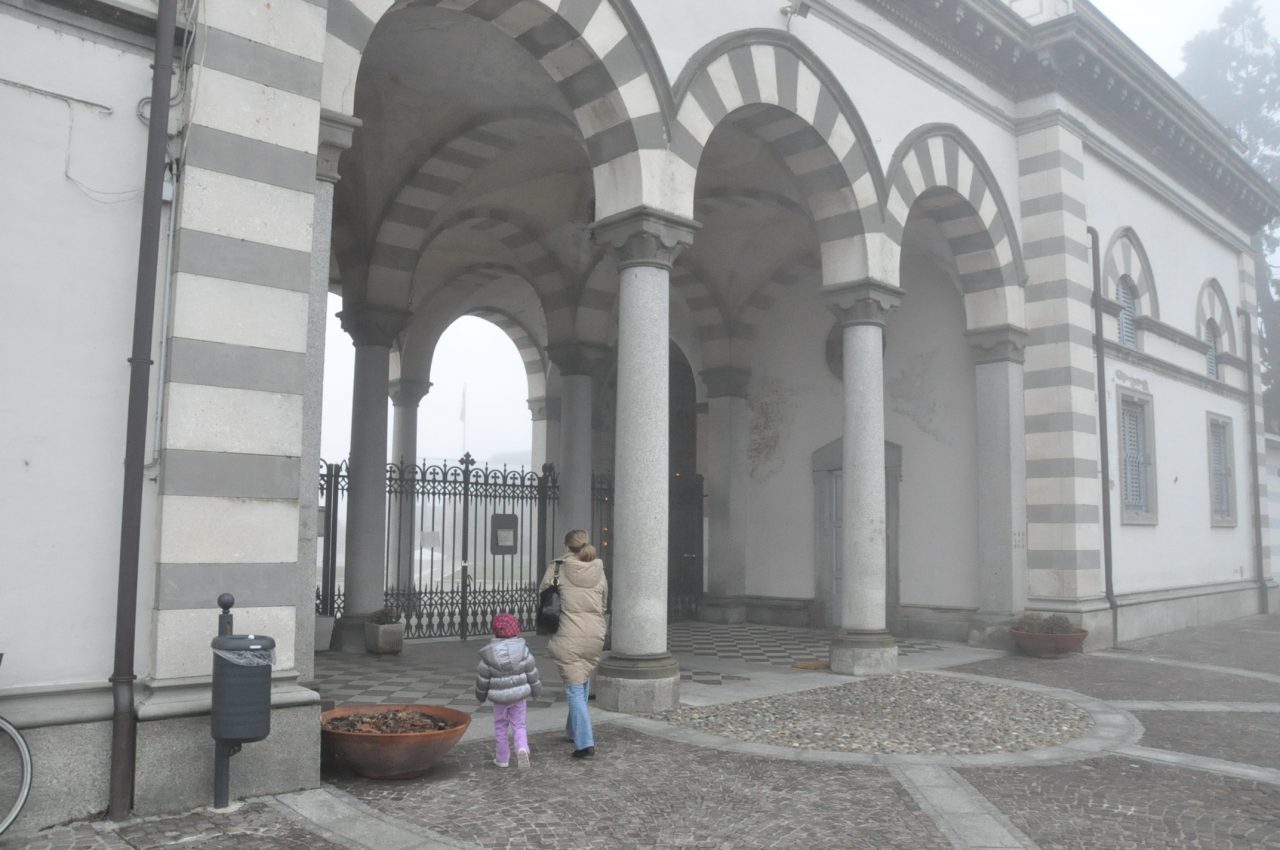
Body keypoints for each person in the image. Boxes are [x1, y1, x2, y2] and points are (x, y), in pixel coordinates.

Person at [539, 529, 608, 759]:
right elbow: (604, 601)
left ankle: (584, 743)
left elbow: (543, 593)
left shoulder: (558, 566)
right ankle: (573, 730)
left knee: (575, 689)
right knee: (582, 676)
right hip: (594, 635)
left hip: (569, 635)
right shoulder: (599, 568)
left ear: (567, 546)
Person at [474, 612, 542, 768]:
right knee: (519, 724)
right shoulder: (524, 651)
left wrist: (481, 696)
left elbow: (482, 679)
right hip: (519, 697)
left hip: (499, 699)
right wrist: (536, 691)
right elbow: (532, 674)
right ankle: (522, 748)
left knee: (500, 726)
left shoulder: (488, 655)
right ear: (516, 630)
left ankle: (502, 758)